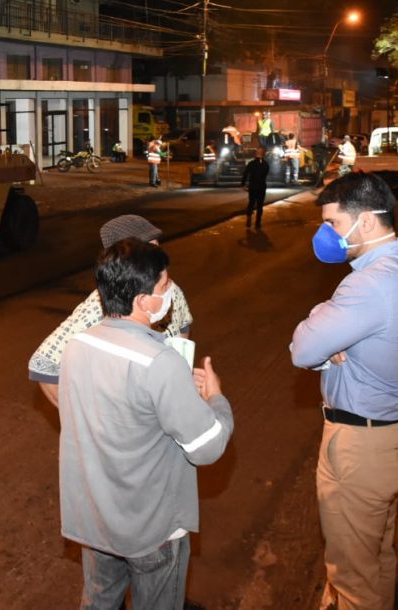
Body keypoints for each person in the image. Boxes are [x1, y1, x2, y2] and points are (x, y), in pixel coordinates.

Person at [58, 237, 234, 610]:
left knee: (99, 602)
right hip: (151, 528)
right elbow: (207, 447)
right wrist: (215, 398)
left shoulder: (77, 346)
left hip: (97, 518)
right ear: (142, 301)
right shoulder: (159, 361)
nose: (170, 292)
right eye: (164, 286)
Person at [290, 172, 398, 610]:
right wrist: (334, 329)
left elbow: (303, 348)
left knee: (352, 574)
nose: (325, 235)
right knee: (376, 553)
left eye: (332, 223)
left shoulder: (369, 284)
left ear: (366, 221)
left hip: (362, 447)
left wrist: (323, 317)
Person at [28, 214, 193, 408]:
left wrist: (181, 376)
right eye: (149, 249)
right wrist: (83, 417)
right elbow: (44, 365)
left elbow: (182, 328)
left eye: (157, 246)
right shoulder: (99, 306)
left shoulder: (169, 289)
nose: (158, 256)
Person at [240, 147, 270, 230]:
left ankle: (249, 217)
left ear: (256, 154)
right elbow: (265, 174)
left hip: (253, 186)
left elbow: (245, 173)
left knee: (251, 203)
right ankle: (258, 223)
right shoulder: (265, 164)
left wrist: (243, 184)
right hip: (261, 187)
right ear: (263, 154)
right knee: (260, 205)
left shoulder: (251, 163)